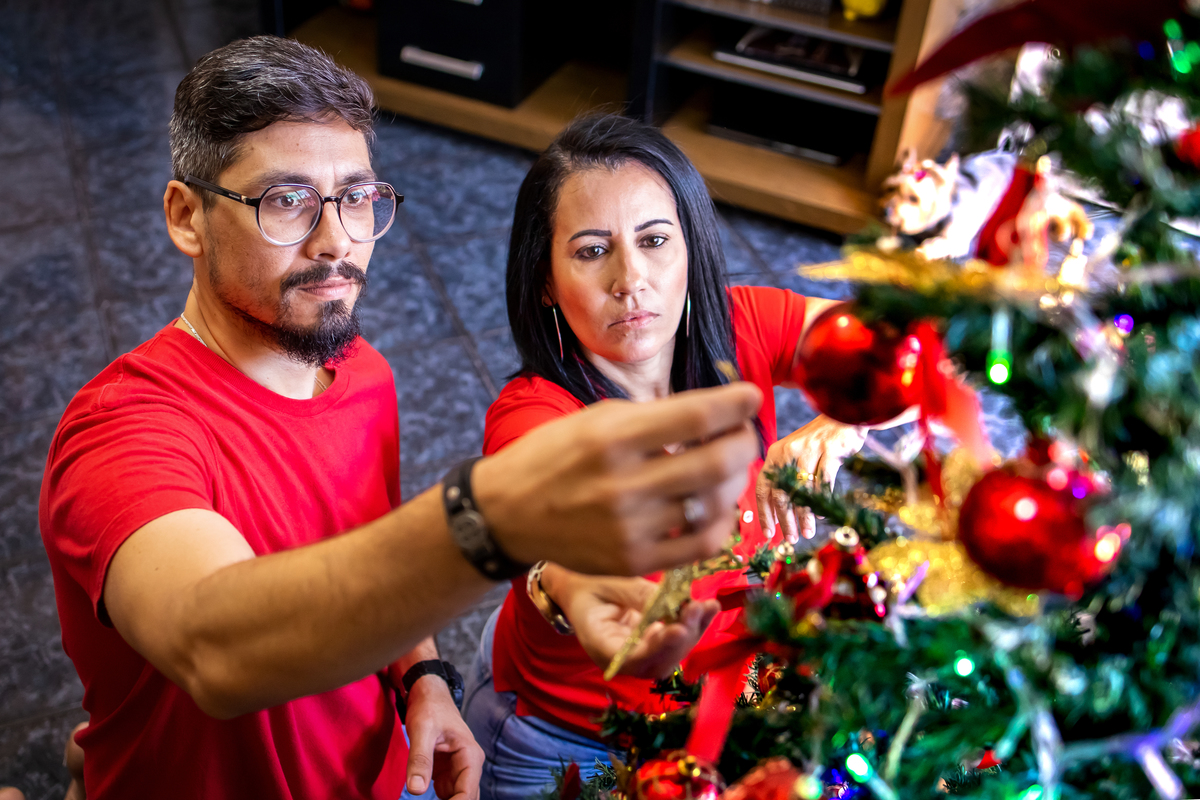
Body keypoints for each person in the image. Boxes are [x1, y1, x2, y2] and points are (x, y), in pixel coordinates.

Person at [38, 40, 763, 800]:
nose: (335, 241)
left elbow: (362, 548)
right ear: (187, 218)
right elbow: (213, 647)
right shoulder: (120, 430)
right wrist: (491, 521)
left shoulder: (362, 373)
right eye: (286, 201)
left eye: (355, 197)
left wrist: (423, 675)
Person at [461, 114, 874, 800]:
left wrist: (842, 420)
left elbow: (927, 344)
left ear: (692, 247)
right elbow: (537, 536)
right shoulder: (533, 415)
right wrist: (560, 583)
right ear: (544, 282)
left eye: (655, 240)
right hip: (570, 744)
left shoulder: (743, 327)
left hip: (723, 717)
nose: (632, 278)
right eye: (593, 251)